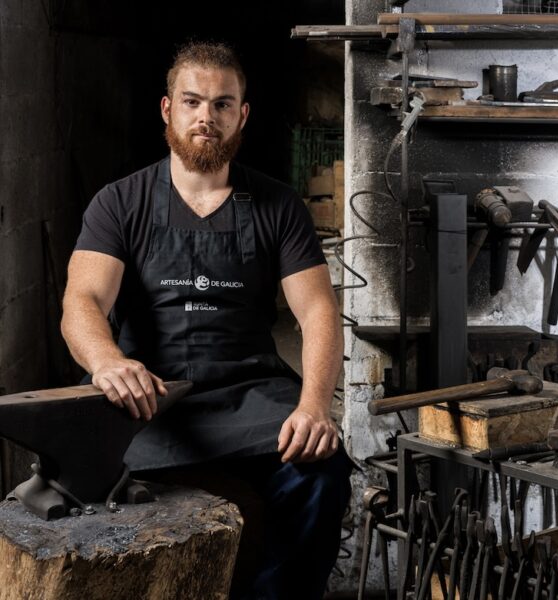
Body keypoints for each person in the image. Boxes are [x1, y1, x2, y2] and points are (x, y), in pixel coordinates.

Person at [61, 41, 352, 600]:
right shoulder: (119, 203)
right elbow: (82, 303)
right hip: (146, 394)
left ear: (242, 115)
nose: (206, 117)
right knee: (83, 483)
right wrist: (107, 361)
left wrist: (315, 406)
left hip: (247, 390)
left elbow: (317, 311)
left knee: (321, 469)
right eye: (193, 102)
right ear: (168, 109)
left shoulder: (278, 205)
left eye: (222, 104)